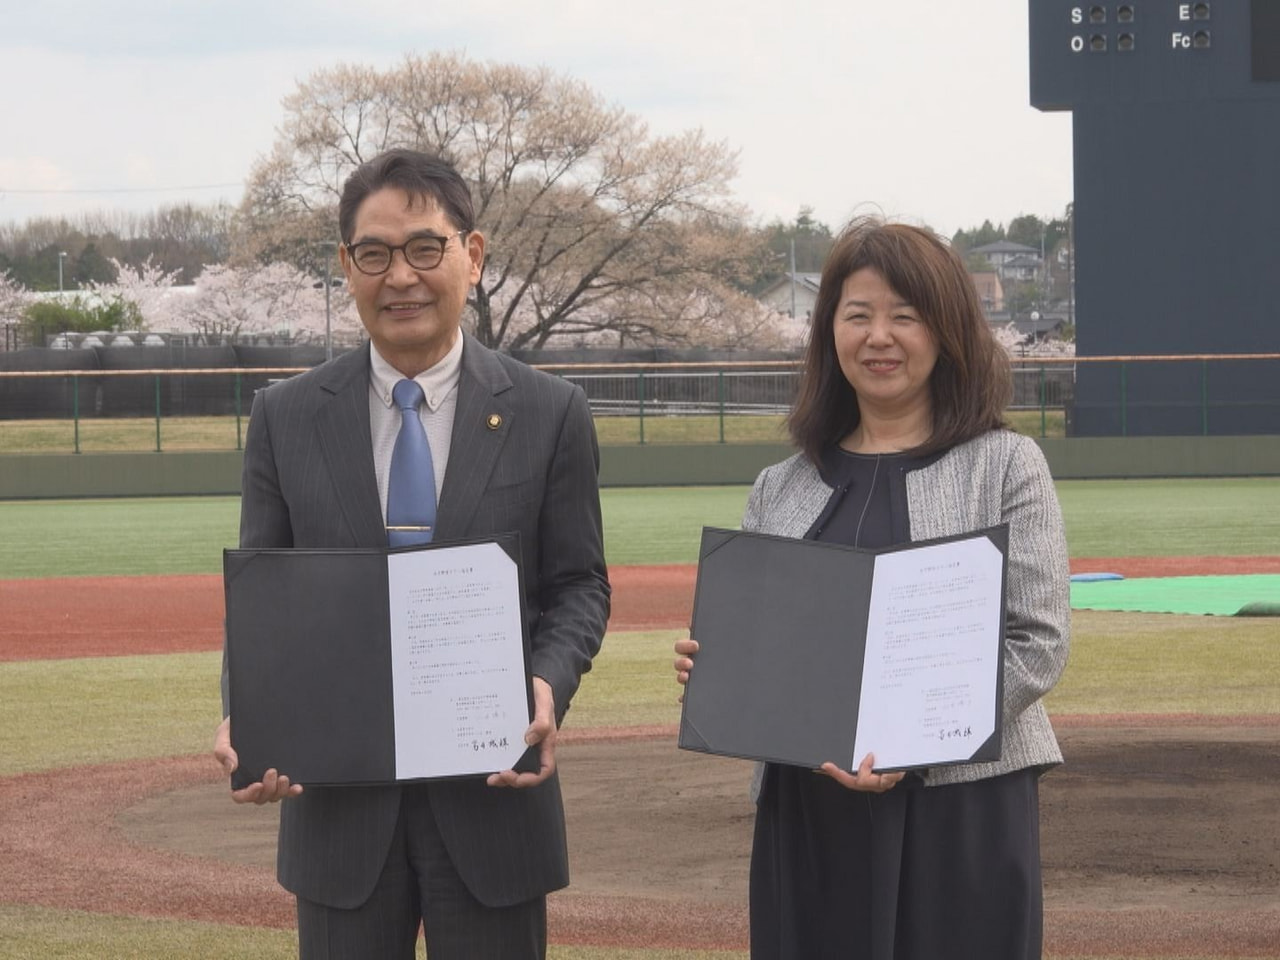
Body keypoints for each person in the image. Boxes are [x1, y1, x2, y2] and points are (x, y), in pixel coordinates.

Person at [213, 148, 611, 960]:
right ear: (345, 267)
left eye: (426, 249)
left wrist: (546, 685)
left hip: (495, 806)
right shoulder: (285, 418)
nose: (401, 276)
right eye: (375, 254)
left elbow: (578, 586)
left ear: (474, 255)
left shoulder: (550, 411)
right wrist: (247, 713)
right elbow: (265, 597)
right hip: (339, 817)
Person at [674, 218, 1069, 960]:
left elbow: (1037, 640)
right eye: (857, 315)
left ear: (946, 332)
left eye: (905, 316)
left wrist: (911, 748)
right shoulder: (779, 484)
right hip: (811, 810)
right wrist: (718, 667)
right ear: (830, 333)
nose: (878, 336)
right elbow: (761, 642)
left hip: (963, 806)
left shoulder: (1006, 465)